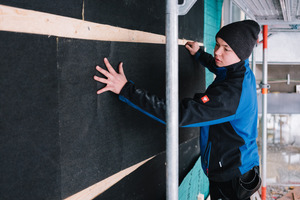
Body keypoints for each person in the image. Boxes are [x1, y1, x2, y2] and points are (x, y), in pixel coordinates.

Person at [93, 20, 261, 200]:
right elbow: (220, 67)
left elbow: (179, 116)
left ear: (241, 54)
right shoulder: (239, 70)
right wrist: (200, 55)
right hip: (237, 164)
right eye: (217, 44)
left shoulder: (231, 96)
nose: (217, 52)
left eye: (226, 49)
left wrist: (126, 89)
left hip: (231, 177)